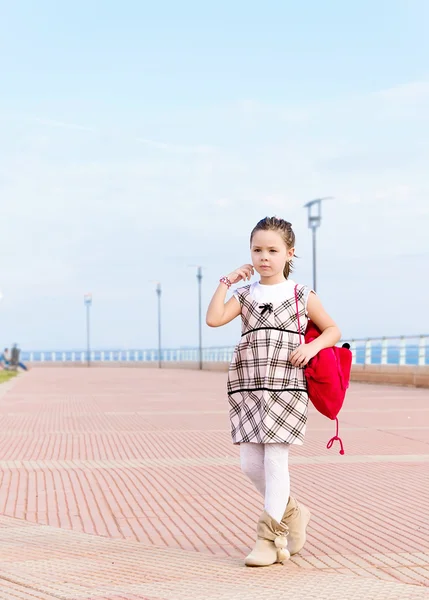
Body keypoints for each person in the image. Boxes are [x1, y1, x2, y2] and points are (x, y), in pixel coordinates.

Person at [206, 216, 341, 567]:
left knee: (275, 459)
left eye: (272, 250)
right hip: (249, 385)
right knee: (250, 464)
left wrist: (311, 349)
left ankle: (269, 538)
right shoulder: (246, 294)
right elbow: (214, 318)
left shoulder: (301, 294)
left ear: (288, 253)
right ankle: (293, 512)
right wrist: (226, 281)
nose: (264, 257)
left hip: (286, 384)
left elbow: (332, 330)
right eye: (257, 250)